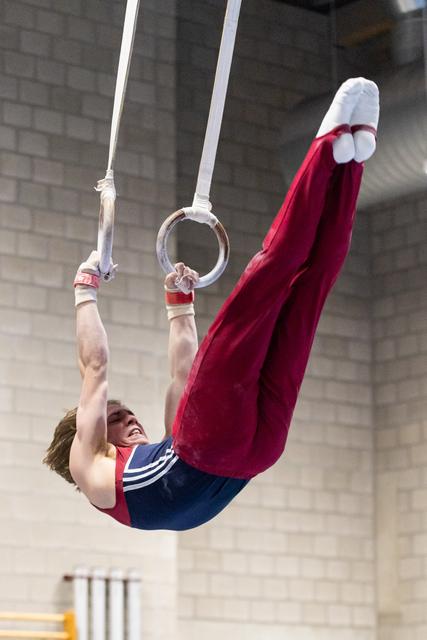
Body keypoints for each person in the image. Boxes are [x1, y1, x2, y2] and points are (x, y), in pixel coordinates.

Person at [44, 77, 379, 531]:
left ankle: (350, 159)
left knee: (308, 291)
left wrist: (180, 304)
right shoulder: (92, 468)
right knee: (269, 281)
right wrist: (84, 289)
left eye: (125, 414)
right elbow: (96, 367)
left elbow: (186, 374)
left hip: (246, 456)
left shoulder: (163, 451)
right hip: (229, 451)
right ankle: (325, 147)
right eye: (117, 419)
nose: (130, 419)